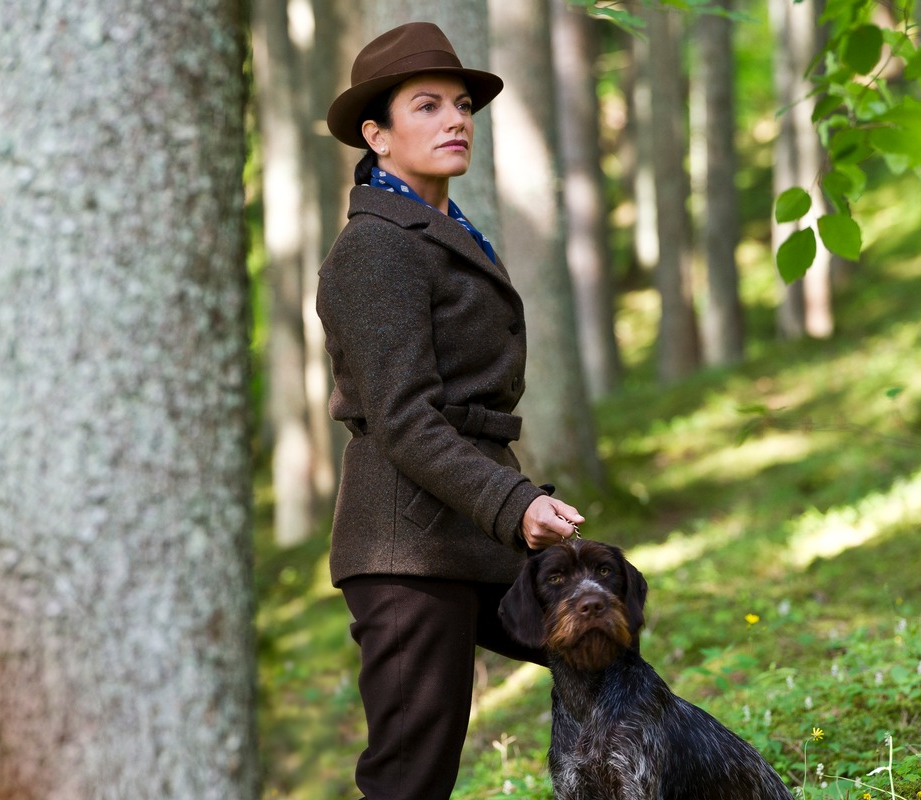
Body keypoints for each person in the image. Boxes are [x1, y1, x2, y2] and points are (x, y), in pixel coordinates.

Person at [318, 21, 585, 800]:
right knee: (411, 775)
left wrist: (510, 503)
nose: (456, 120)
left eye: (462, 104)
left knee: (603, 639)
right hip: (405, 545)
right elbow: (403, 418)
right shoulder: (375, 246)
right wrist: (517, 503)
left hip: (469, 526)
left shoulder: (441, 230)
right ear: (379, 134)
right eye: (427, 106)